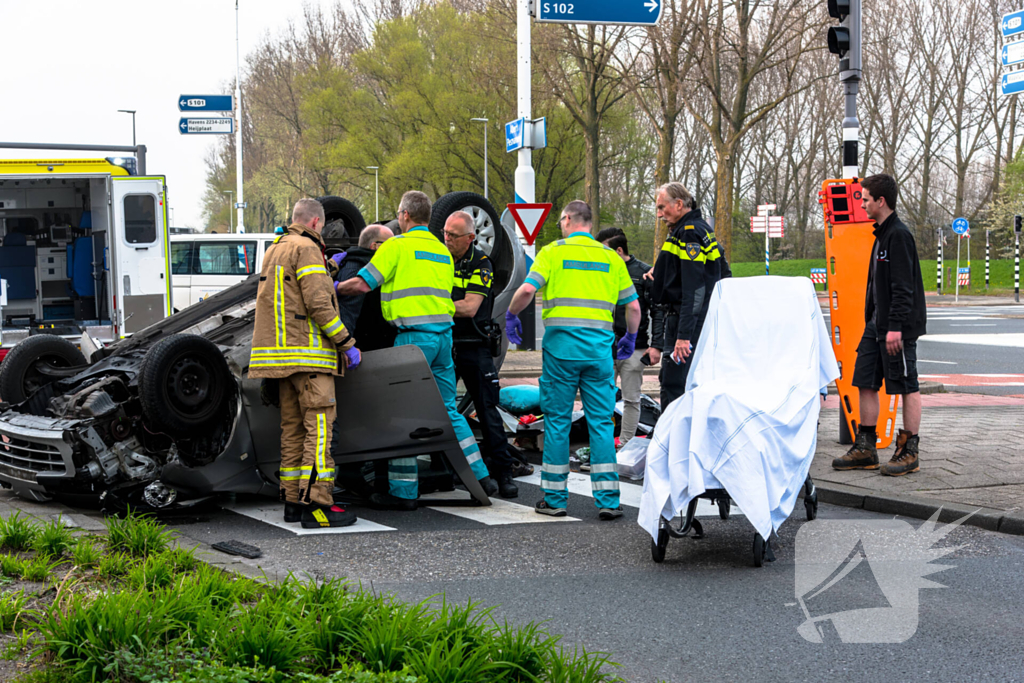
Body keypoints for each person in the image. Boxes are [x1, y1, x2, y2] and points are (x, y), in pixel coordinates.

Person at [336, 191, 497, 509]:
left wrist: (332, 285)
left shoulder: (397, 245)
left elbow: (363, 284)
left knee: (403, 415)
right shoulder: (442, 250)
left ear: (404, 215)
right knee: (448, 410)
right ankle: (480, 476)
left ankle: (402, 492)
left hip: (412, 341)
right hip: (443, 340)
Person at [506, 200, 641, 520]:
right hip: (598, 354)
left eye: (561, 220)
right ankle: (608, 500)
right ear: (590, 224)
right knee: (600, 424)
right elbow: (633, 308)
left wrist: (512, 315)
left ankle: (554, 499)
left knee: (557, 422)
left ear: (568, 220)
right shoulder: (611, 257)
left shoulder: (553, 253)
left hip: (561, 353)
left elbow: (527, 289)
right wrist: (630, 338)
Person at [249, 198, 360, 529]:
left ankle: (293, 502)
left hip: (283, 360)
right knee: (320, 430)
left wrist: (331, 268)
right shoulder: (308, 249)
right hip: (311, 357)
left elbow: (295, 292)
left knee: (293, 431)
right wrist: (346, 342)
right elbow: (317, 302)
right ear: (315, 223)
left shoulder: (277, 248)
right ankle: (319, 506)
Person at [832, 174, 927, 476]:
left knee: (906, 384)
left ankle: (909, 450)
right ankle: (866, 447)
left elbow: (904, 288)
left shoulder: (898, 235)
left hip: (895, 327)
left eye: (865, 198)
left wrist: (896, 327)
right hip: (876, 325)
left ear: (880, 201)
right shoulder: (881, 235)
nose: (862, 203)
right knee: (865, 381)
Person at [443, 211, 519, 499]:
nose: (447, 239)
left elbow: (469, 307)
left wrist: (433, 304)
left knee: (488, 412)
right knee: (445, 409)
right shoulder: (442, 257)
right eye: (445, 233)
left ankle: (504, 474)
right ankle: (452, 471)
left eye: (453, 235)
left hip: (475, 345)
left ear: (471, 238)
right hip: (447, 344)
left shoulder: (481, 263)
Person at [650, 182, 730, 408]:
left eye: (662, 207)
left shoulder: (689, 233)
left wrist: (683, 336)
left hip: (684, 322)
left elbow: (694, 288)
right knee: (682, 381)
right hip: (695, 320)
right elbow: (723, 272)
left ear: (678, 204)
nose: (659, 215)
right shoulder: (700, 229)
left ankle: (672, 440)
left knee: (674, 384)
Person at [595, 227, 663, 450]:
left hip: (635, 347)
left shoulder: (644, 273)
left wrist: (656, 346)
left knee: (632, 399)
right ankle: (602, 443)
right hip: (604, 345)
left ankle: (626, 445)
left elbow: (658, 311)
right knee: (600, 397)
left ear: (619, 250)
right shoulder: (600, 271)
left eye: (603, 249)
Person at [335, 224, 396, 352]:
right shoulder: (356, 268)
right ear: (375, 246)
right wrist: (347, 347)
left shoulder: (381, 269)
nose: (394, 250)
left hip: (378, 348)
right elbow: (348, 312)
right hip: (364, 352)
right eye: (390, 245)